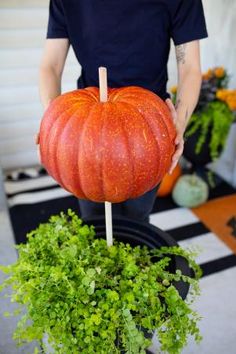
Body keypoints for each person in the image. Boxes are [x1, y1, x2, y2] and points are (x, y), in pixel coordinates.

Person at [38, 0, 208, 222]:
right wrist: (55, 122)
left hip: (149, 128)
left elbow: (190, 68)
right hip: (88, 128)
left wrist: (179, 123)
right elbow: (50, 65)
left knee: (138, 217)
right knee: (95, 220)